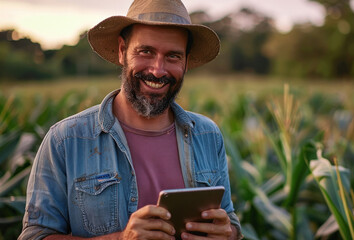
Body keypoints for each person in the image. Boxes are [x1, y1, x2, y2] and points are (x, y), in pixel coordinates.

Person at [18, 0, 242, 239]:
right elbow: (34, 235)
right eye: (146, 51)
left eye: (173, 56)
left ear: (186, 62)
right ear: (122, 51)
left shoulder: (207, 135)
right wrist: (121, 238)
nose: (158, 70)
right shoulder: (66, 139)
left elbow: (229, 220)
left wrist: (227, 233)